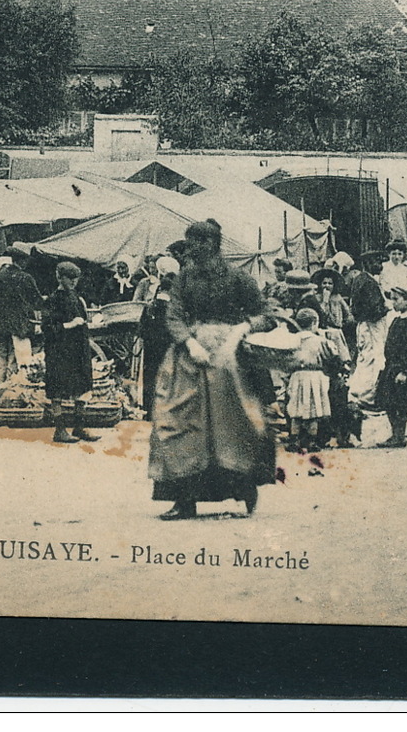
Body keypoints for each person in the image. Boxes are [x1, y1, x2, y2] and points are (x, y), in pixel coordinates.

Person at [149, 219, 275, 520]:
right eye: (190, 243)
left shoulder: (238, 278)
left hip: (229, 359)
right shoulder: (183, 279)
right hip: (189, 359)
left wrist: (242, 328)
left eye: (200, 243)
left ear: (214, 245)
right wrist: (189, 342)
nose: (194, 249)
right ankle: (183, 499)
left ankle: (245, 489)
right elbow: (174, 315)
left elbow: (266, 314)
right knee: (176, 422)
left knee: (234, 424)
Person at [45, 261, 98, 444]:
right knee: (58, 390)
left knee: (83, 386)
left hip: (78, 349)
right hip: (60, 350)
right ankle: (59, 430)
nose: (74, 282)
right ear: (60, 277)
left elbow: (83, 319)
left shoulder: (76, 296)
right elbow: (48, 327)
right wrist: (69, 325)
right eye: (70, 278)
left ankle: (79, 426)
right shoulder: (54, 299)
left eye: (76, 278)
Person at [0, 246, 42, 389]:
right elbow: (37, 302)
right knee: (20, 362)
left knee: (1, 363)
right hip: (19, 327)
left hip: (0, 328)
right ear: (22, 261)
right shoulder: (25, 278)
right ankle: (17, 393)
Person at [374, 286, 407, 449]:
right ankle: (394, 433)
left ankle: (399, 435)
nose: (393, 303)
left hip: (402, 369)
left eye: (397, 299)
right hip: (391, 367)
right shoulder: (397, 319)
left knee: (400, 403)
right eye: (392, 299)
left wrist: (404, 371)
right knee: (389, 401)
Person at [284, 307, 336, 452]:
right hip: (314, 376)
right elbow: (330, 356)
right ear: (314, 323)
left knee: (296, 408)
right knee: (314, 409)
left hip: (297, 376)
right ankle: (312, 441)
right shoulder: (320, 341)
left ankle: (294, 439)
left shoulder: (293, 339)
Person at [344, 251, 389, 410]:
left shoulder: (361, 279)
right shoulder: (367, 282)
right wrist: (386, 308)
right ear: (368, 263)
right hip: (371, 325)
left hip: (364, 325)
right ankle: (367, 397)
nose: (380, 265)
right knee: (372, 358)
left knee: (365, 358)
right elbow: (373, 309)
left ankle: (357, 394)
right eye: (376, 261)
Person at [136, 255, 179, 419]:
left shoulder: (149, 307)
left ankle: (148, 410)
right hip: (168, 349)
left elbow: (141, 330)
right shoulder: (173, 309)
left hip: (150, 348)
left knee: (150, 376)